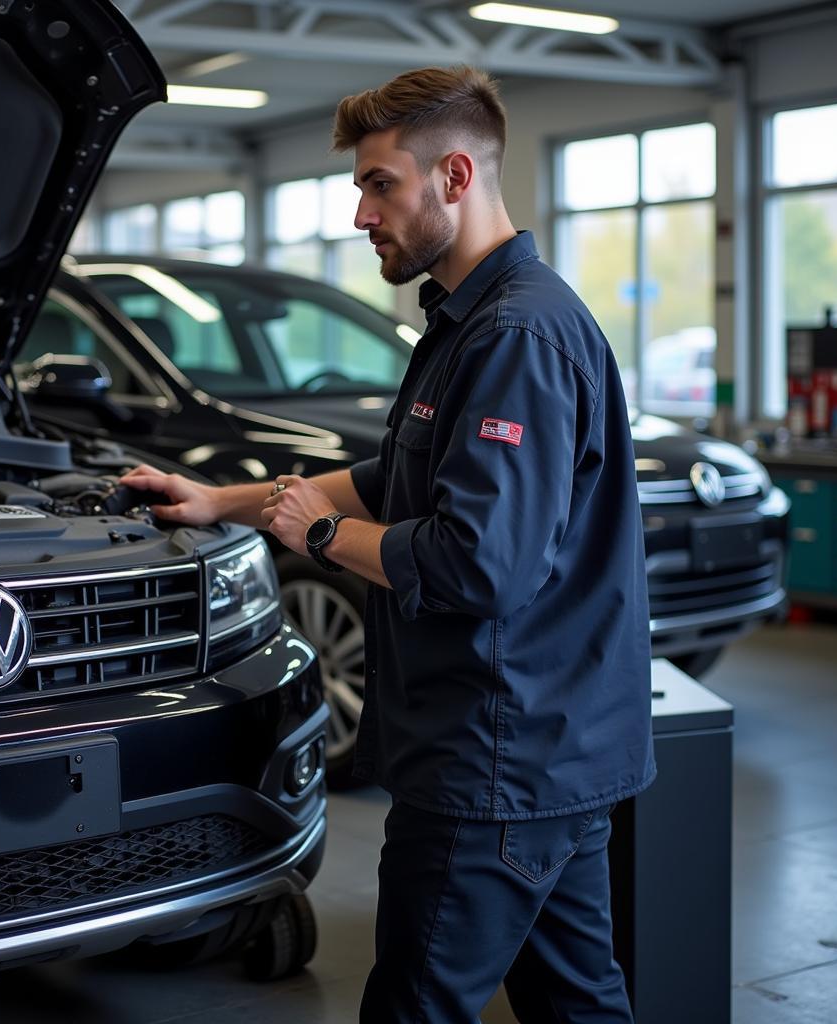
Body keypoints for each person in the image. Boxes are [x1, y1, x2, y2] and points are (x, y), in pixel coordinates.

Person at [122, 65, 654, 1024]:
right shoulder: (467, 327)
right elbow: (381, 479)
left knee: (416, 1006)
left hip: (494, 761)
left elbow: (477, 563)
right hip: (549, 753)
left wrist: (320, 538)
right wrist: (217, 502)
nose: (361, 214)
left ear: (454, 177)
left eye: (380, 184)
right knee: (579, 1005)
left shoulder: (516, 338)